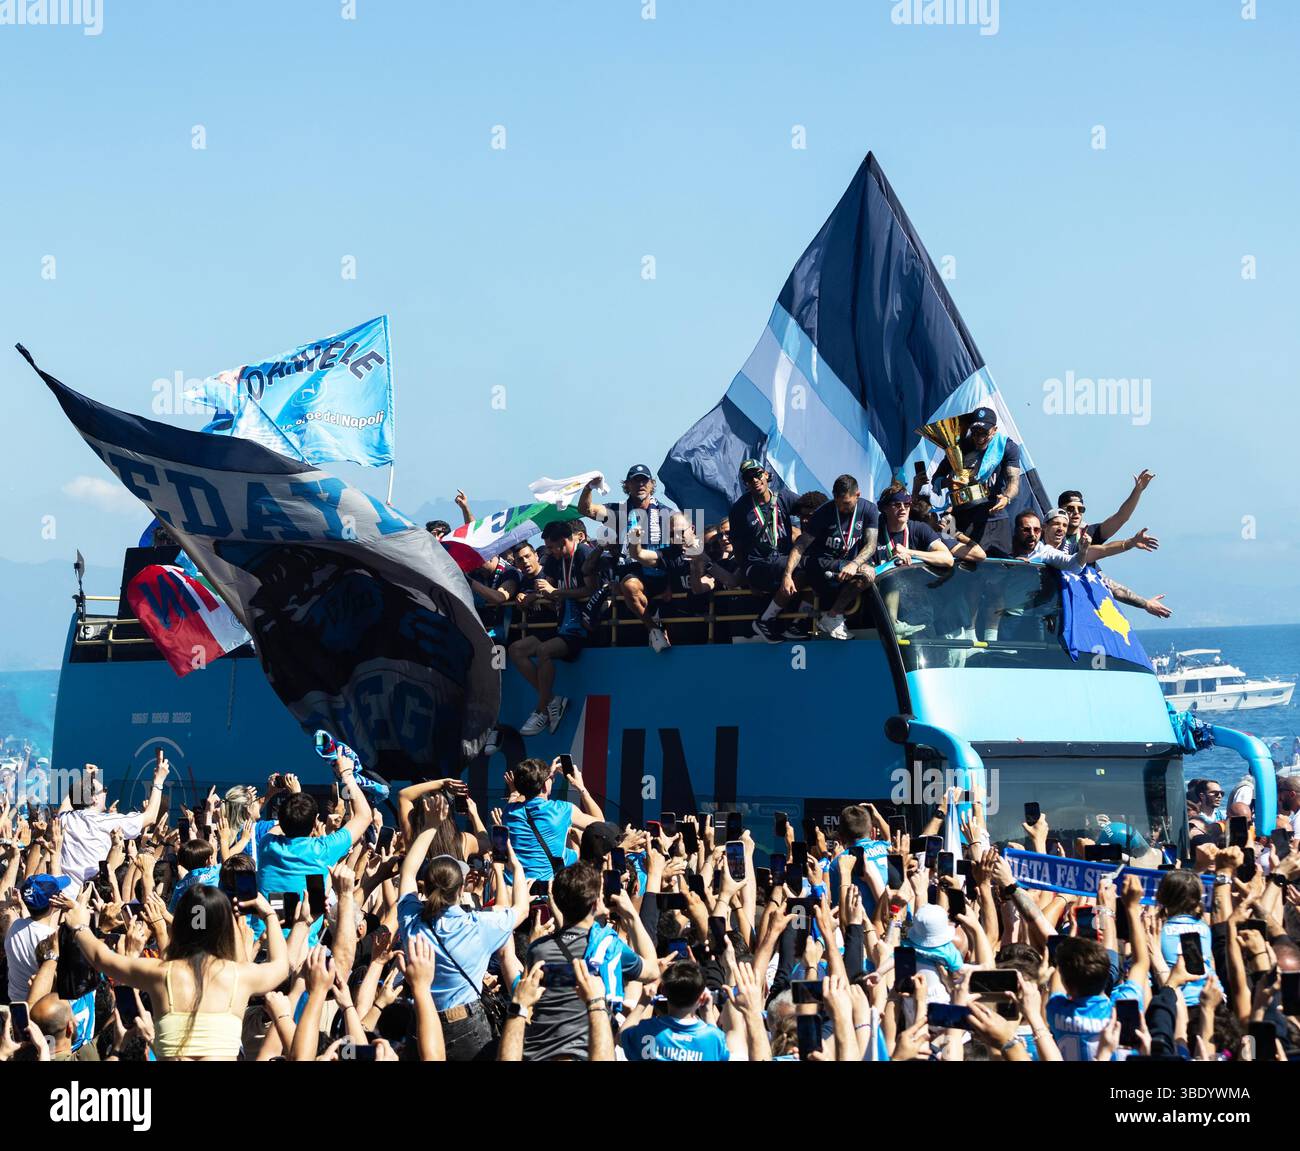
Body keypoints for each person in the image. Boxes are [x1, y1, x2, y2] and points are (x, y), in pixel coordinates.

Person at [59, 884, 289, 1060]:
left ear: (179, 923)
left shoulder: (160, 972)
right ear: (224, 928)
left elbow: (102, 958)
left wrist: (79, 926)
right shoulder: (240, 975)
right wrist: (269, 914)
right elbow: (281, 967)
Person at [396, 822, 531, 1061]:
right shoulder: (479, 926)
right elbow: (521, 910)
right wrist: (516, 866)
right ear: (461, 890)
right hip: (465, 1026)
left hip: (420, 1022)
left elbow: (407, 871)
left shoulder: (411, 921)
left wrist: (429, 825)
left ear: (425, 888)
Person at [519, 861, 659, 1060]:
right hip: (588, 1052)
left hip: (539, 1054)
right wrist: (630, 914)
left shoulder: (538, 949)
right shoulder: (609, 945)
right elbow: (652, 971)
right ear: (595, 903)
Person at [256, 753, 371, 946]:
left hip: (260, 945)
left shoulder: (267, 844)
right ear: (313, 824)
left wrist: (281, 795)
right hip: (300, 950)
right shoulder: (322, 849)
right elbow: (364, 816)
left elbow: (283, 825)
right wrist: (347, 774)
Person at [508, 520, 599, 736]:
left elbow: (591, 589)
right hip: (561, 622)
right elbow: (545, 589)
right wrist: (531, 596)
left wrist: (557, 592)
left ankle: (541, 710)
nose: (548, 552)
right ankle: (551, 700)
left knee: (543, 651)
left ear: (565, 542)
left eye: (551, 547)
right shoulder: (553, 560)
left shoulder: (583, 554)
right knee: (516, 650)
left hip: (582, 625)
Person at [579, 465, 676, 653]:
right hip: (632, 572)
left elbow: (677, 554)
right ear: (627, 485)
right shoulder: (619, 511)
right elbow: (586, 509)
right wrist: (589, 487)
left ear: (651, 484)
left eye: (644, 480)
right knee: (629, 586)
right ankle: (654, 630)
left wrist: (671, 583)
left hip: (661, 570)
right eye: (635, 480)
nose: (640, 484)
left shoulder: (667, 513)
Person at [783, 474, 879, 640]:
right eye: (838, 502)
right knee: (863, 571)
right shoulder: (823, 512)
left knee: (868, 574)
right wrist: (787, 574)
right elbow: (800, 545)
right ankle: (826, 619)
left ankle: (832, 616)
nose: (841, 507)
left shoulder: (869, 510)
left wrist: (855, 564)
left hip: (848, 564)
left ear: (858, 495)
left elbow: (871, 545)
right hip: (822, 563)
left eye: (846, 503)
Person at [56, 755, 170, 882]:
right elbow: (150, 817)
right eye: (104, 790)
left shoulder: (65, 820)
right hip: (92, 895)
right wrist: (159, 781)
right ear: (94, 798)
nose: (106, 792)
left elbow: (65, 806)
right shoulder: (106, 822)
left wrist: (86, 780)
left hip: (65, 893)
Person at [728, 460, 805, 643]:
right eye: (748, 477)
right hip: (757, 565)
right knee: (805, 565)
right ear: (745, 483)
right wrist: (748, 579)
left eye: (757, 474)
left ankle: (795, 621)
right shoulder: (739, 509)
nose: (754, 479)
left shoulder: (785, 497)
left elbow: (811, 507)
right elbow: (737, 549)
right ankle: (767, 620)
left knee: (810, 568)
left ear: (766, 475)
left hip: (782, 561)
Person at [928, 406, 1022, 555]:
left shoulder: (1007, 447)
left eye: (984, 432)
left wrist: (1006, 497)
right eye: (975, 432)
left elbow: (1014, 481)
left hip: (994, 519)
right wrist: (948, 482)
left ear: (994, 430)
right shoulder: (959, 446)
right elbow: (936, 478)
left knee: (1000, 567)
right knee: (965, 567)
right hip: (962, 518)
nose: (978, 437)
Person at [503, 757, 605, 882]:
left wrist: (544, 777)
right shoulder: (562, 810)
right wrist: (581, 788)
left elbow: (517, 797)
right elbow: (600, 824)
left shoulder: (509, 811)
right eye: (551, 779)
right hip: (547, 896)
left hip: (514, 892)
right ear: (546, 784)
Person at [871, 483, 953, 637]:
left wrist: (910, 553)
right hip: (882, 614)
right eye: (896, 504)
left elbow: (947, 558)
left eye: (907, 504)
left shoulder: (919, 528)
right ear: (884, 508)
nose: (903, 508)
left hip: (919, 611)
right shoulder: (874, 532)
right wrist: (893, 563)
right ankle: (893, 625)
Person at [618, 959, 729, 1061]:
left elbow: (621, 1037)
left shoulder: (647, 1030)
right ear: (701, 996)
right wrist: (708, 1013)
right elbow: (720, 1051)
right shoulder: (714, 1038)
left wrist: (642, 1004)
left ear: (663, 991)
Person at [5, 873, 73, 1004]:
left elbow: (29, 925)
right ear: (54, 901)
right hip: (40, 1007)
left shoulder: (15, 926)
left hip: (15, 1002)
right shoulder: (53, 941)